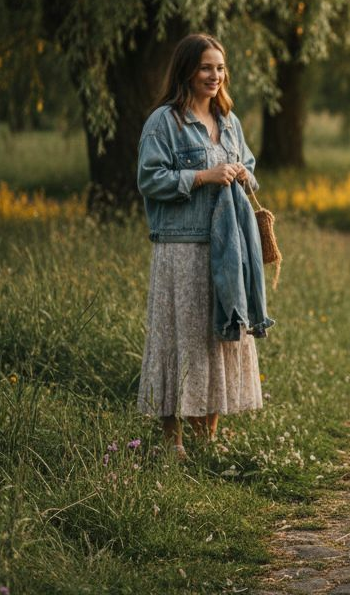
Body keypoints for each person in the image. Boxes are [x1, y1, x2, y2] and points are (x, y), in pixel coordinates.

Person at [136, 33, 266, 458]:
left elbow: (248, 165)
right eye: (207, 67)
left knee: (218, 337)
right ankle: (171, 443)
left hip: (227, 246)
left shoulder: (229, 121)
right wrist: (202, 177)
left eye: (221, 68)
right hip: (181, 248)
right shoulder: (164, 122)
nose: (215, 75)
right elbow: (150, 180)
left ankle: (206, 440)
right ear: (188, 70)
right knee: (179, 339)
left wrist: (244, 175)